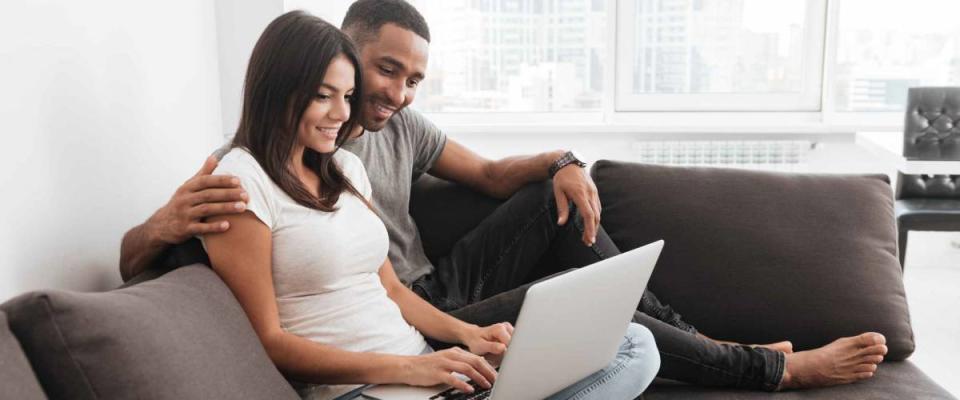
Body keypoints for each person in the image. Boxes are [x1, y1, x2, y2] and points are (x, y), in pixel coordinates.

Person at [119, 0, 887, 392]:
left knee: (549, 210)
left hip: (422, 300)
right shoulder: (244, 168)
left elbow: (488, 179)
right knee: (572, 310)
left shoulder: (380, 140)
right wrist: (154, 227)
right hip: (393, 334)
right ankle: (765, 369)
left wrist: (563, 159)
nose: (388, 93)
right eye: (381, 71)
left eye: (411, 79)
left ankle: (716, 344)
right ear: (341, 49)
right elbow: (152, 260)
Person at [199, 10, 658, 400]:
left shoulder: (343, 169)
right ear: (276, 89)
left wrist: (467, 337)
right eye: (324, 96)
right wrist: (407, 369)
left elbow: (393, 292)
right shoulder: (239, 183)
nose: (342, 114)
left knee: (636, 345)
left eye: (347, 96)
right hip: (369, 389)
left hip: (425, 370)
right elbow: (270, 341)